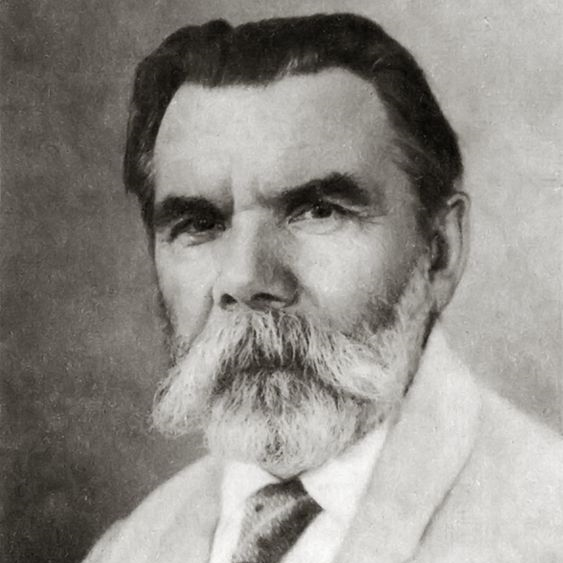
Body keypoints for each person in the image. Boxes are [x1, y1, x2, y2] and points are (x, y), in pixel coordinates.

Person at [83, 13, 563, 563]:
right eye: (201, 224)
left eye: (317, 211)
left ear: (439, 252)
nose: (245, 280)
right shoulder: (130, 547)